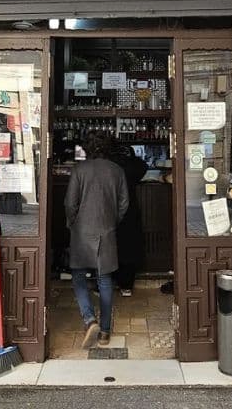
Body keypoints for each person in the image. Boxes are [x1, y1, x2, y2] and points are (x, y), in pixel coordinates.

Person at [64, 131, 129, 348]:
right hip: (107, 230)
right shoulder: (116, 170)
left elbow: (70, 203)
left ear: (87, 148)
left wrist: (73, 223)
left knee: (78, 276)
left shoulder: (79, 170)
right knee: (105, 280)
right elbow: (123, 204)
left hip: (82, 230)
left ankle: (89, 319)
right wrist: (112, 222)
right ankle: (105, 332)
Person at [112, 145, 148, 297]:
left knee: (113, 246)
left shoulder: (111, 166)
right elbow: (143, 166)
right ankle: (127, 286)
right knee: (130, 247)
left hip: (112, 209)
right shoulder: (134, 166)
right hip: (131, 210)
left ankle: (111, 282)